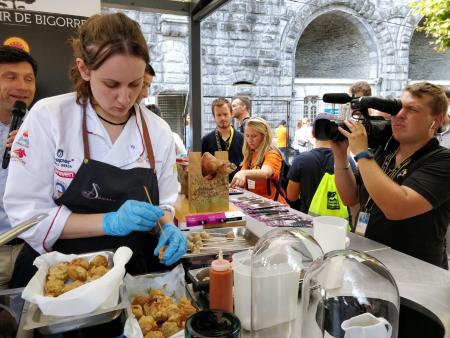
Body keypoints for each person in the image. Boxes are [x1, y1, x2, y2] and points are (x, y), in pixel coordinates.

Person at [4, 13, 187, 288]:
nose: (124, 98)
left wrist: (167, 226)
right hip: (61, 276)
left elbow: (164, 203)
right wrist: (109, 221)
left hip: (131, 273)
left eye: (135, 84)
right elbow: (29, 214)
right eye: (111, 84)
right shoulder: (50, 118)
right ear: (85, 69)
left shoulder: (157, 130)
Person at [332, 82, 450, 269]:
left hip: (416, 271)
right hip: (370, 259)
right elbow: (350, 198)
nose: (400, 114)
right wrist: (340, 157)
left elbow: (397, 207)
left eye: (412, 110)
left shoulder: (442, 160)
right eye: (398, 107)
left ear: (435, 121)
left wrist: (362, 153)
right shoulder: (384, 152)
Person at [0, 46, 37, 290]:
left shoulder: (44, 128)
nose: (22, 87)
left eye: (28, 79)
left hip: (34, 248)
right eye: (10, 77)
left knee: (28, 327)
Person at [287, 114, 356, 214]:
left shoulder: (301, 160)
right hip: (340, 224)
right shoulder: (347, 161)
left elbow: (291, 196)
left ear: (313, 133)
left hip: (309, 220)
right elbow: (354, 198)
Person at [230, 117, 288, 204]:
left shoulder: (272, 153)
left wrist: (244, 173)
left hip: (272, 205)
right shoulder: (250, 154)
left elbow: (265, 173)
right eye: (247, 136)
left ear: (264, 136)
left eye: (254, 136)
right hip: (254, 204)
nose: (250, 140)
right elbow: (241, 181)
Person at [202, 97, 244, 180]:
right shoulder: (205, 140)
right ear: (214, 116)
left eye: (225, 114)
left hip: (238, 188)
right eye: (219, 115)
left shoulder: (243, 139)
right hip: (213, 188)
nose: (222, 118)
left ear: (231, 114)